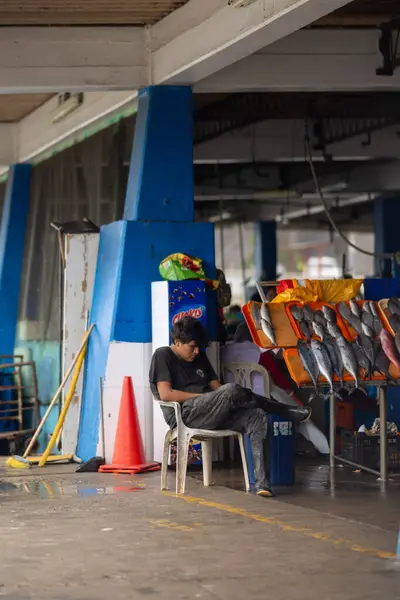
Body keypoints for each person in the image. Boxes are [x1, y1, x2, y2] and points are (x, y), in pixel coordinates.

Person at [149, 317, 311, 498]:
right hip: (185, 414)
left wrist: (218, 398)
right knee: (231, 389)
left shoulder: (199, 356)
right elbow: (166, 394)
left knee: (256, 415)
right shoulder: (163, 355)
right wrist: (208, 397)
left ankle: (262, 484)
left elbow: (217, 389)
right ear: (177, 342)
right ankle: (281, 409)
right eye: (192, 346)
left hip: (213, 411)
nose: (196, 351)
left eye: (198, 347)